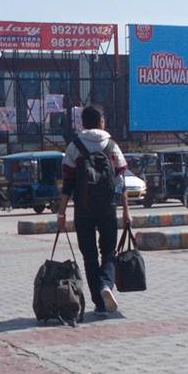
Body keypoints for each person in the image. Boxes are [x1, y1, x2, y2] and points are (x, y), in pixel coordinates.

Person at [56, 105, 131, 316]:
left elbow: (68, 184)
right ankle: (106, 285)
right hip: (108, 208)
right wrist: (126, 211)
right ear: (101, 122)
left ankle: (99, 303)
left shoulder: (74, 147)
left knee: (89, 256)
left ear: (83, 123)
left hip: (83, 209)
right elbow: (121, 182)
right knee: (109, 252)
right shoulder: (112, 145)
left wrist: (61, 214)